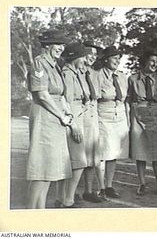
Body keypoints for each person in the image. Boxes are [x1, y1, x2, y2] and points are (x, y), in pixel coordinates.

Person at [26, 29, 72, 209]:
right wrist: (62, 116)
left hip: (55, 121)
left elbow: (59, 95)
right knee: (41, 170)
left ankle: (40, 211)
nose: (61, 48)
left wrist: (65, 114)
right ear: (47, 45)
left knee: (49, 171)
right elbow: (43, 95)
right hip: (45, 120)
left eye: (62, 44)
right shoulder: (39, 63)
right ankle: (30, 214)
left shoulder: (54, 65)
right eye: (58, 44)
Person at [127, 51, 157, 197]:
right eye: (152, 61)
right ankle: (142, 183)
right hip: (139, 115)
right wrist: (130, 121)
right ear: (145, 62)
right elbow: (130, 100)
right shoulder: (133, 79)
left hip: (156, 115)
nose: (154, 65)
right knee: (141, 152)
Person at [59, 42, 92, 208]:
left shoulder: (76, 72)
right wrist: (74, 125)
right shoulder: (68, 74)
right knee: (78, 161)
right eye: (83, 57)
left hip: (80, 115)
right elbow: (66, 101)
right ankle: (68, 199)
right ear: (75, 58)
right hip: (73, 118)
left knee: (75, 160)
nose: (85, 60)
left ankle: (65, 197)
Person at [95, 46, 129, 199]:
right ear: (106, 59)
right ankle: (100, 187)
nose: (117, 61)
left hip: (119, 116)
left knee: (113, 153)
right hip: (103, 116)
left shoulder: (122, 76)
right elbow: (95, 99)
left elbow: (125, 99)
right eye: (114, 58)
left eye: (118, 58)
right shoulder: (98, 75)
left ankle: (109, 185)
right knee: (102, 153)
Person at [77, 40, 104, 203]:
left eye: (95, 54)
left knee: (92, 157)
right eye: (89, 53)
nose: (92, 57)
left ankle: (88, 191)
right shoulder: (75, 72)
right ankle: (69, 192)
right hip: (80, 117)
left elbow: (98, 98)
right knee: (76, 157)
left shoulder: (95, 74)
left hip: (93, 117)